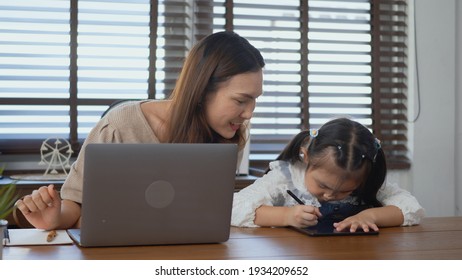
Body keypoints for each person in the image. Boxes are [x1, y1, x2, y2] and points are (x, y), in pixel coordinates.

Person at [15, 31, 265, 230]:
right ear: (201, 91)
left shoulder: (230, 135)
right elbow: (77, 203)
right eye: (241, 100)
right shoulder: (119, 126)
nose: (249, 113)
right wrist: (55, 218)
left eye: (255, 100)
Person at [232, 117, 424, 232]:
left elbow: (411, 208)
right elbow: (232, 208)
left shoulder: (365, 179)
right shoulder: (287, 177)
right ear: (305, 156)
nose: (331, 196)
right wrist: (286, 216)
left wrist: (371, 216)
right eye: (323, 186)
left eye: (345, 191)